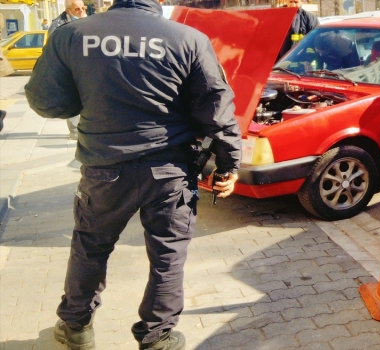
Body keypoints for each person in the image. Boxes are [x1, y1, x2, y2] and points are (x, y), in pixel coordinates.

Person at [24, 0, 242, 347]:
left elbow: (45, 100)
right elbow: (216, 108)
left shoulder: (72, 34)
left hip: (104, 168)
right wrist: (229, 164)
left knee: (90, 248)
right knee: (168, 255)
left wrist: (89, 98)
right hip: (169, 172)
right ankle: (157, 337)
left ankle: (76, 328)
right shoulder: (188, 39)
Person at [49, 0, 87, 140]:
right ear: (68, 11)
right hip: (68, 68)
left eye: (83, 7)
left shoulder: (88, 21)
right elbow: (53, 49)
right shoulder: (58, 25)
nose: (82, 11)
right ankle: (75, 132)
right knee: (72, 99)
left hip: (84, 68)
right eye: (77, 9)